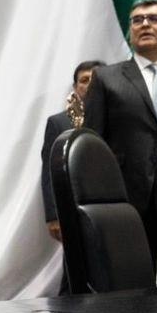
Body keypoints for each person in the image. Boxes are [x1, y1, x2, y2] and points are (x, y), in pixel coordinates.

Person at [84, 0, 157, 284]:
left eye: (154, 19)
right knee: (132, 288)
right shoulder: (106, 78)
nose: (145, 24)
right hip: (127, 202)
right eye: (137, 20)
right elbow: (92, 143)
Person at [40, 60, 103, 242]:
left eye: (95, 79)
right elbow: (49, 171)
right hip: (73, 205)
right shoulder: (58, 123)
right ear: (75, 87)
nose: (89, 84)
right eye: (84, 80)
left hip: (112, 203)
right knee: (77, 263)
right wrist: (53, 215)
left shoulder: (118, 117)